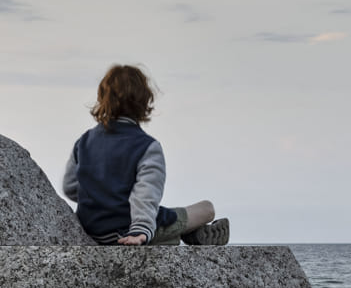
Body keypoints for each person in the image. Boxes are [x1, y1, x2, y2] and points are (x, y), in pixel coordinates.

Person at [62, 64, 229, 246]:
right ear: (144, 100)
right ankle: (188, 234)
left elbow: (70, 187)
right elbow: (145, 194)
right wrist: (140, 230)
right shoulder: (147, 146)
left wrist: (102, 197)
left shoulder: (84, 141)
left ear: (103, 98)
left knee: (163, 221)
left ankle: (180, 235)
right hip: (129, 231)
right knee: (207, 209)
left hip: (94, 230)